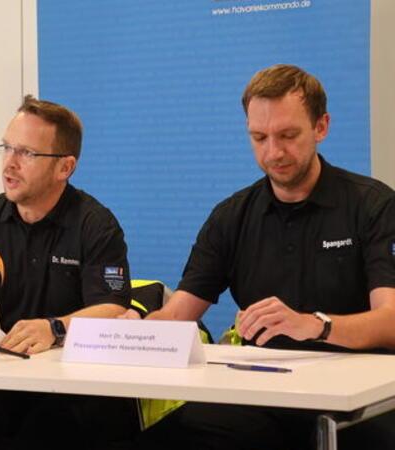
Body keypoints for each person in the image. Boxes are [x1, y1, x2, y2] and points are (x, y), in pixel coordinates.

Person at [124, 64, 395, 449]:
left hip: (363, 400)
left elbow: (391, 321)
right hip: (263, 394)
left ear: (321, 127)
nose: (274, 152)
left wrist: (315, 325)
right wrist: (126, 331)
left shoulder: (373, 206)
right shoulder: (232, 216)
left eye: (287, 135)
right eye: (259, 137)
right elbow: (176, 314)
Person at [0, 96, 142, 450]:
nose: (10, 163)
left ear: (65, 167)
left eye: (27, 154)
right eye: (6, 148)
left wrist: (54, 327)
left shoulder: (96, 225)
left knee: (40, 435)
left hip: (87, 383)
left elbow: (111, 310)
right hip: (16, 375)